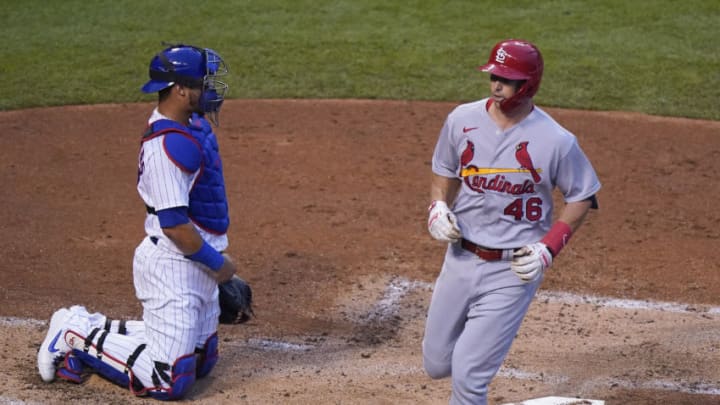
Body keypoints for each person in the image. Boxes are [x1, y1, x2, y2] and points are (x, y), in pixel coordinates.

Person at [37, 44, 238, 400]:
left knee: (202, 359)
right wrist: (220, 267)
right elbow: (175, 226)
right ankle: (73, 333)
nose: (208, 90)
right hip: (175, 263)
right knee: (170, 380)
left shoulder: (192, 123)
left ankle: (95, 325)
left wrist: (214, 268)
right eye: (201, 83)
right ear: (179, 90)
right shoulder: (165, 147)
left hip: (197, 260)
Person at [422, 39, 601, 404]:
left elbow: (582, 195)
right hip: (460, 258)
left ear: (529, 84)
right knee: (438, 364)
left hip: (512, 270)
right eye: (494, 76)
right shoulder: (461, 120)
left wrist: (548, 248)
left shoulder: (556, 140)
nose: (496, 85)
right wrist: (437, 206)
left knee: (470, 375)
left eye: (507, 78)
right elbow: (444, 169)